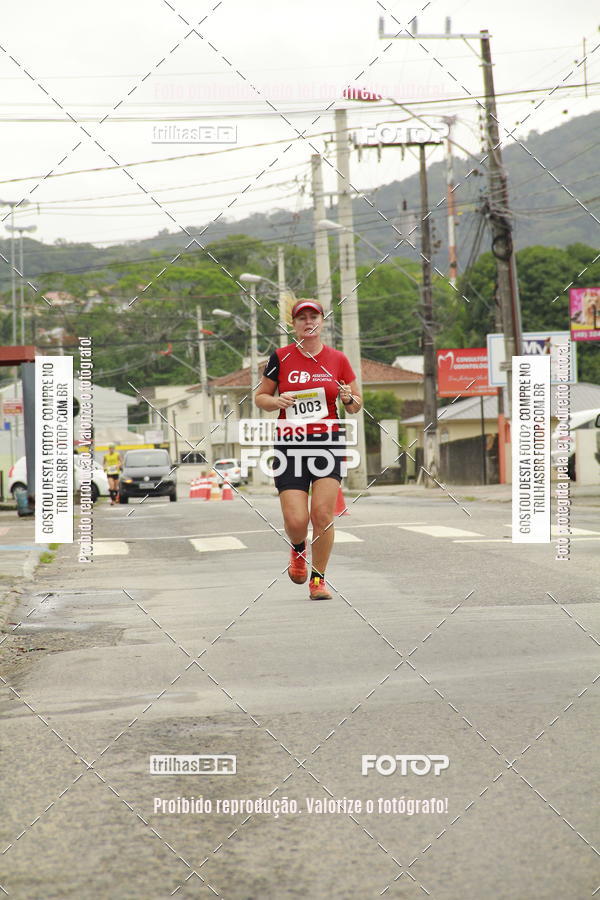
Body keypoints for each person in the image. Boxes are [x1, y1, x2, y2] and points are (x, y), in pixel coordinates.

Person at [255, 299, 362, 600]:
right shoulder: (281, 357)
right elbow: (260, 396)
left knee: (323, 514)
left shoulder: (338, 359)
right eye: (301, 318)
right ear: (294, 325)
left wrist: (348, 398)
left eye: (313, 316)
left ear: (322, 321)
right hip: (290, 444)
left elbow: (356, 405)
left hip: (327, 443)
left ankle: (318, 579)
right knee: (296, 521)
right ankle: (298, 548)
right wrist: (275, 401)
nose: (308, 322)